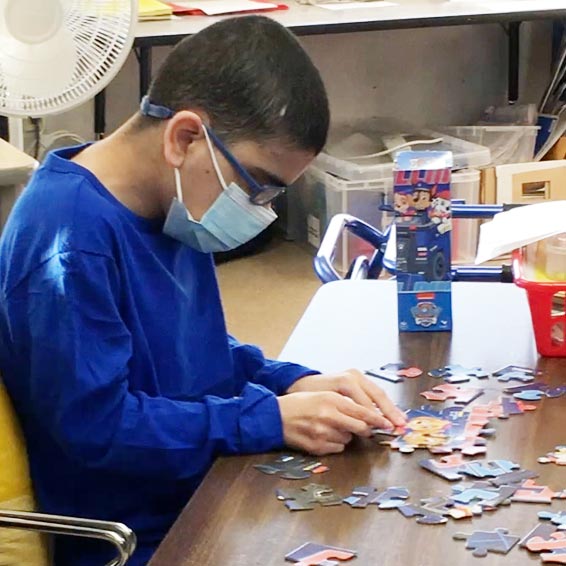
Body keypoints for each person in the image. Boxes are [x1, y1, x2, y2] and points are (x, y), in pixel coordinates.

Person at [0, 15, 406, 566]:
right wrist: (268, 419)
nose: (261, 213)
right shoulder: (68, 241)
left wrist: (294, 381)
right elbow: (98, 429)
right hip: (142, 537)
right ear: (186, 137)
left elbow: (194, 349)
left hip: (208, 483)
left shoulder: (168, 200)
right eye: (258, 186)